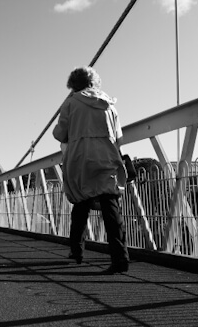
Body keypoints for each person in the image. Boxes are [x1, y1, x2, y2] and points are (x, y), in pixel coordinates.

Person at [52, 66, 130, 274]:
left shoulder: (70, 103)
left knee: (81, 203)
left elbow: (60, 134)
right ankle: (120, 258)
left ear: (73, 85)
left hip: (81, 157)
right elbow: (119, 137)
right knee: (110, 204)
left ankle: (76, 251)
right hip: (106, 155)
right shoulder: (109, 104)